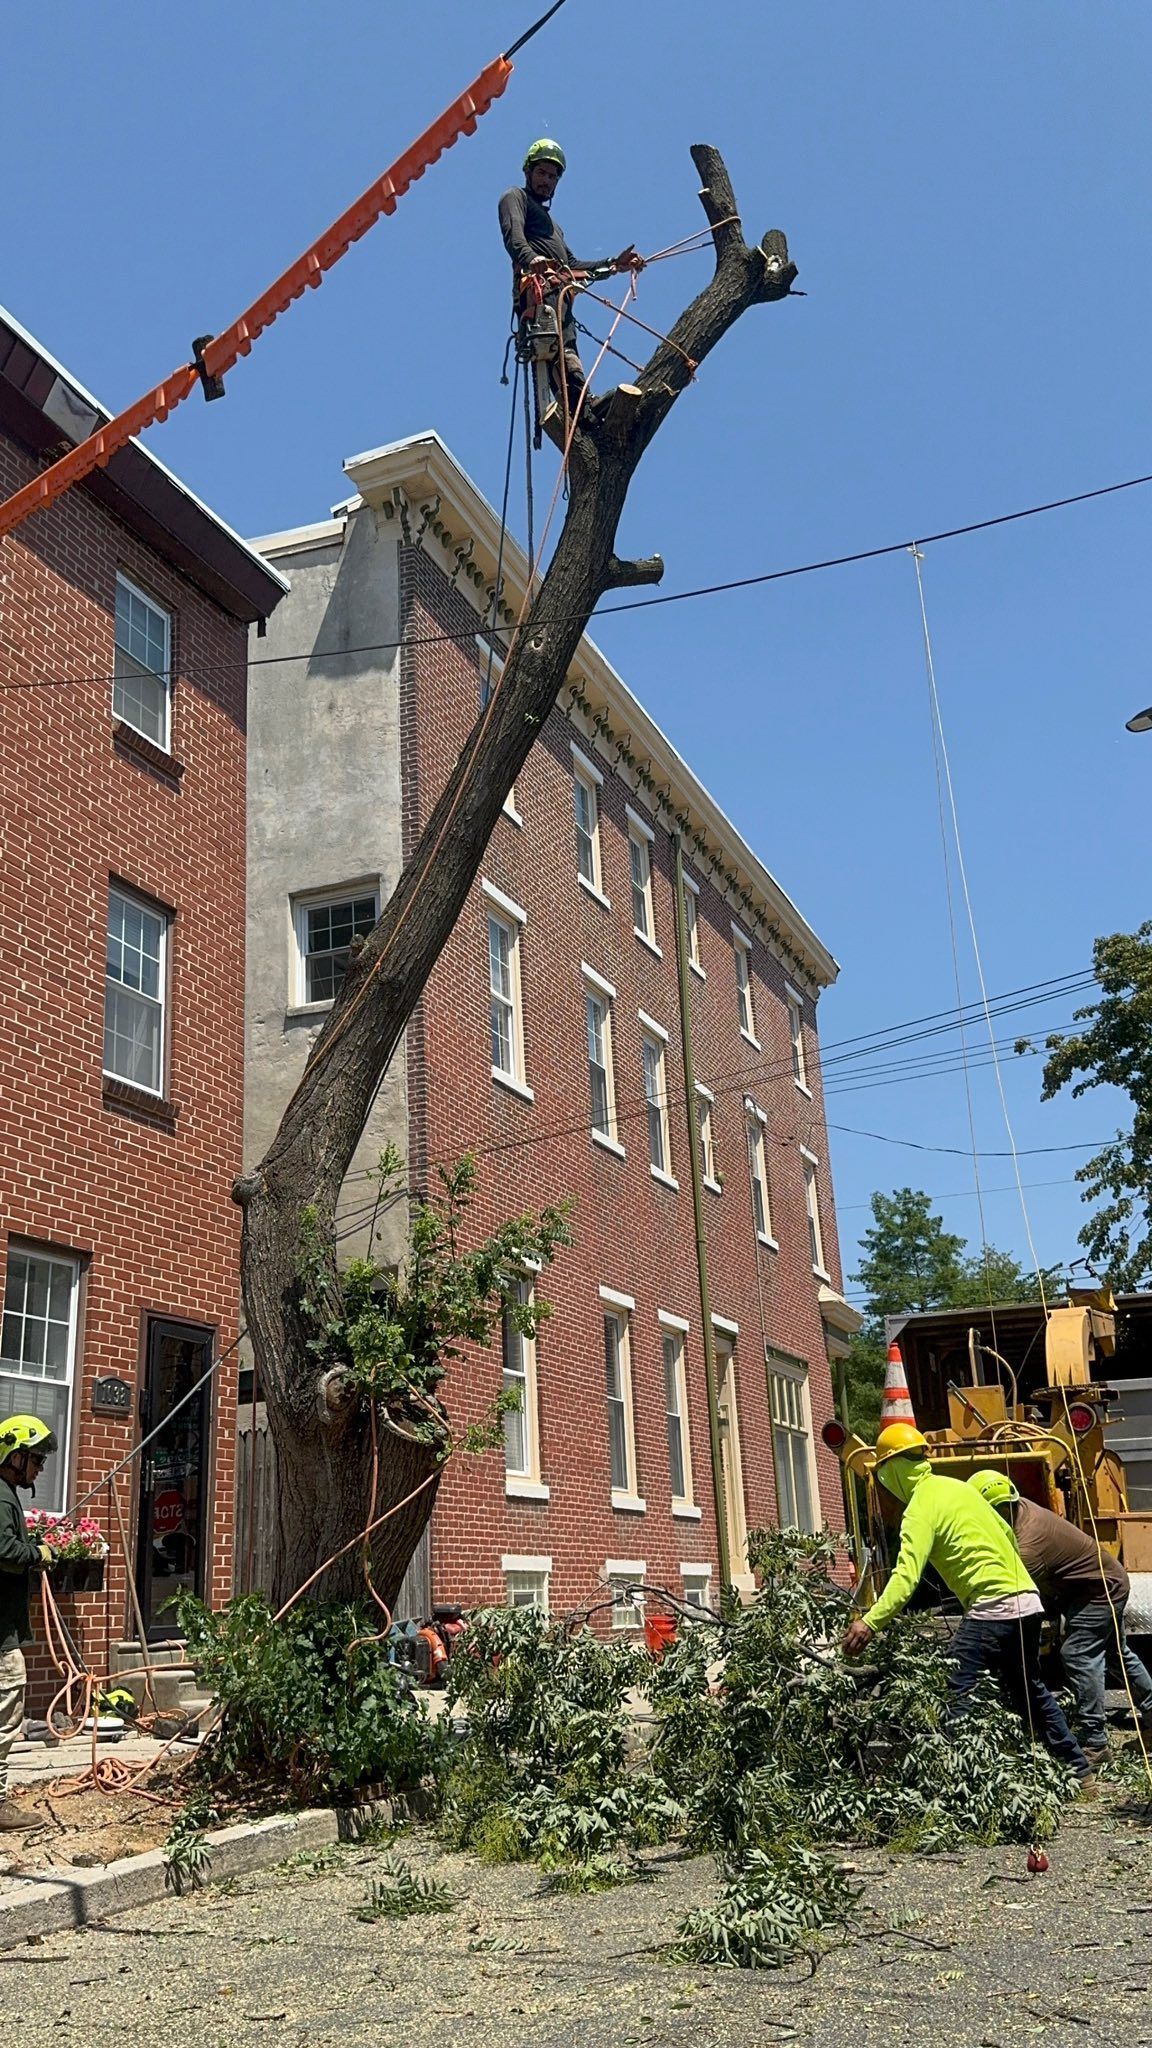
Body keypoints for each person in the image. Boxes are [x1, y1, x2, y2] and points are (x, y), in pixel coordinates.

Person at [842, 1422, 1092, 1783]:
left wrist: (870, 1622)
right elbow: (1007, 1533)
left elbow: (906, 1577)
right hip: (1027, 1600)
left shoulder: (919, 1508)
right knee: (1029, 1687)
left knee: (955, 1687)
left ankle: (964, 1779)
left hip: (993, 1605)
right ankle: (1079, 1769)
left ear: (892, 1468)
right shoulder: (960, 1489)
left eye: (882, 1472)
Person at [968, 1468, 1152, 1765]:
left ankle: (1095, 1743)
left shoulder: (1028, 1543)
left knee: (1078, 1654)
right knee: (1117, 1653)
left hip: (1098, 1591)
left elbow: (1019, 1598)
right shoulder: (1020, 1509)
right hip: (1098, 1583)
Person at [498, 138, 644, 428]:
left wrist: (614, 264)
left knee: (568, 350)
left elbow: (572, 265)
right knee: (557, 350)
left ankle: (585, 410)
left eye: (553, 177)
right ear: (528, 172)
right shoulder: (515, 197)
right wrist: (531, 259)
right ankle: (581, 408)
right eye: (541, 173)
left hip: (560, 294)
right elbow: (513, 237)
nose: (547, 181)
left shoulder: (554, 226)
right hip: (540, 291)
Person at [0, 1414, 57, 1830]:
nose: (39, 1467)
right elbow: (3, 1550)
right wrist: (37, 1555)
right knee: (6, 1710)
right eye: (35, 1458)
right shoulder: (2, 1497)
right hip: (0, 1630)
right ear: (14, 1456)